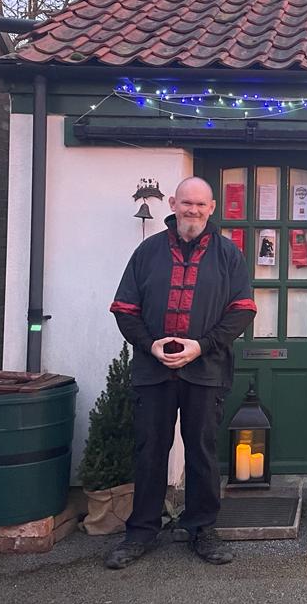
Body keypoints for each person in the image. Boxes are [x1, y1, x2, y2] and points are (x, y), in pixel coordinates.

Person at [104, 177, 256, 569]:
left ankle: (202, 529)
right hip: (153, 371)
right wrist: (151, 345)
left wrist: (200, 346)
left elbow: (242, 310)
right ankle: (141, 532)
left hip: (205, 371)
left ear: (212, 207)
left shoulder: (228, 255)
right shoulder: (147, 252)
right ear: (173, 203)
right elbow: (125, 309)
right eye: (186, 203)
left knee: (202, 452)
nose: (192, 210)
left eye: (200, 204)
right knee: (150, 451)